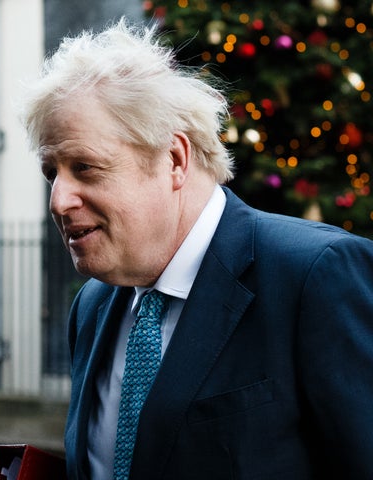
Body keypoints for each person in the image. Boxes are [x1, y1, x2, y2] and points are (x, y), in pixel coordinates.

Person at [19, 18, 373, 479]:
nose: (59, 200)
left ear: (174, 159)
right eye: (53, 173)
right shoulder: (93, 304)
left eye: (85, 167)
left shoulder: (314, 275)